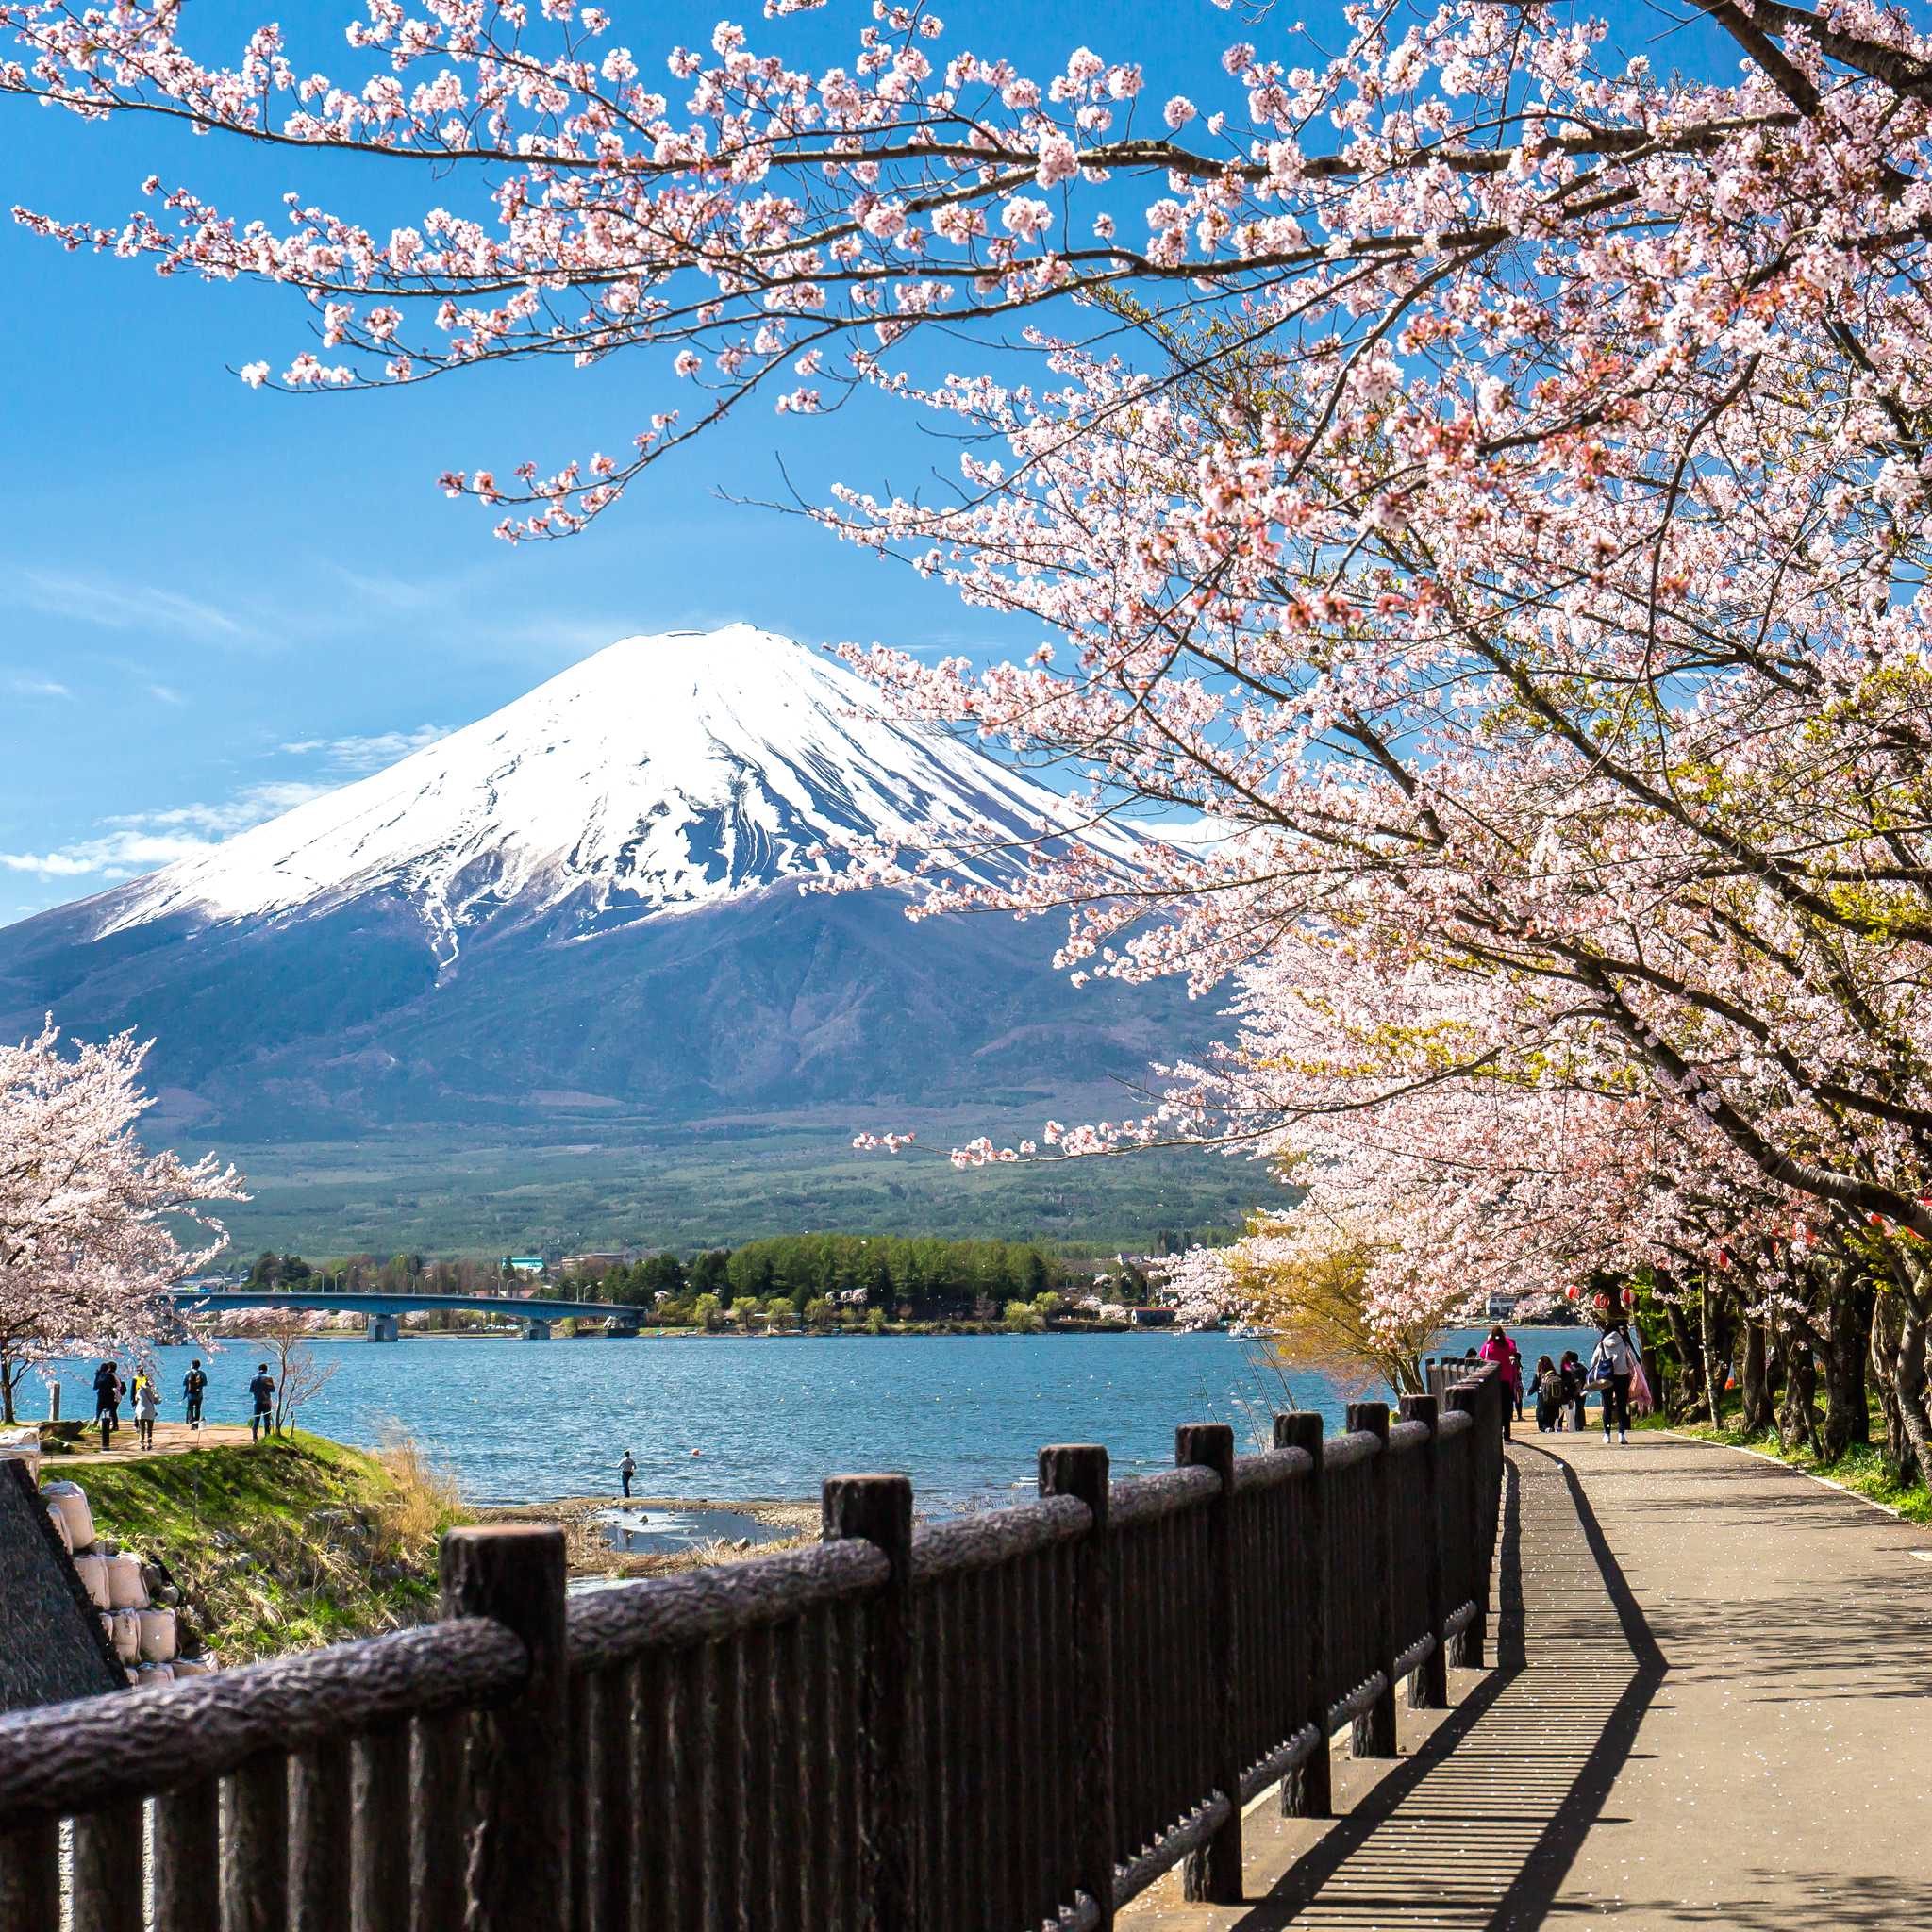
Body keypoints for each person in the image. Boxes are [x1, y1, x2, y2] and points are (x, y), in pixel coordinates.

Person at [1590, 1321, 1641, 1444]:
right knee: (1622, 1406)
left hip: (1606, 1377)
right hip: (1622, 1376)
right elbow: (1633, 1360)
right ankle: (1621, 1434)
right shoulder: (1623, 1343)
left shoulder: (1601, 1344)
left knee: (1607, 1406)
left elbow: (1593, 1362)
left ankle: (1607, 1435)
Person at [1477, 1325, 1520, 1438]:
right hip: (1506, 1379)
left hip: (1492, 1379)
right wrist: (1506, 1339)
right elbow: (1514, 1349)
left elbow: (1482, 1355)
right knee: (1506, 1407)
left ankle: (1495, 1431)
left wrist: (1488, 1340)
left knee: (1493, 1406)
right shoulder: (1506, 1346)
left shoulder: (1488, 1346)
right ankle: (1507, 1434)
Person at [92, 1360, 123, 1451]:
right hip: (109, 1396)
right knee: (111, 1411)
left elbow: (95, 1387)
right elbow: (117, 1385)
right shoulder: (110, 1376)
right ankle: (113, 1426)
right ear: (107, 1369)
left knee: (98, 1411)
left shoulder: (98, 1375)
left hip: (101, 1395)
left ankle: (95, 1425)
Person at [1558, 1350, 1588, 1433]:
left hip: (1571, 1391)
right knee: (1580, 1407)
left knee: (1568, 1408)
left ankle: (1568, 1425)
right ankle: (1580, 1425)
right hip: (1582, 1390)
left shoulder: (1568, 1369)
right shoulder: (1584, 1368)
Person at [1532, 1355, 1561, 1432]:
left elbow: (1533, 1387)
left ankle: (1547, 1429)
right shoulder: (1555, 1374)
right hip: (1555, 1402)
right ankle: (1550, 1429)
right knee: (1551, 1422)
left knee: (1542, 1425)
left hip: (1543, 1402)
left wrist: (1528, 1392)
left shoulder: (1539, 1375)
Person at [248, 1363, 275, 1443]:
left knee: (256, 1420)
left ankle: (254, 1438)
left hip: (257, 1401)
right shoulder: (269, 1378)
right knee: (267, 1420)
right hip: (266, 1401)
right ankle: (267, 1437)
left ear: (259, 1369)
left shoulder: (254, 1378)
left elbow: (251, 1390)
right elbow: (273, 1390)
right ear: (266, 1369)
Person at [133, 1374, 158, 1451]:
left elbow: (136, 1399)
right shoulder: (152, 1390)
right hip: (150, 1411)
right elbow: (157, 1401)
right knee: (149, 1429)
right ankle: (149, 1443)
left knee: (142, 1429)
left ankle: (142, 1443)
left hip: (141, 1411)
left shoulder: (139, 1389)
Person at [183, 1358, 208, 1430]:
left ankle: (191, 1422)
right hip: (199, 1394)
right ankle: (196, 1425)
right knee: (198, 1408)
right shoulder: (202, 1373)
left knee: (190, 1408)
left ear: (192, 1365)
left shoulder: (188, 1373)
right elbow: (205, 1383)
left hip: (190, 1393)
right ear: (199, 1365)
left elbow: (184, 1383)